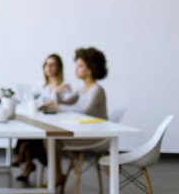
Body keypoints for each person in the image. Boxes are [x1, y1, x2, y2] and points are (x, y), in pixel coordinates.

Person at [42, 47, 109, 188]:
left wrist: (58, 107)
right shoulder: (80, 89)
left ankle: (56, 178)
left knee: (51, 139)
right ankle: (57, 176)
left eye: (80, 66)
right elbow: (63, 103)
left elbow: (84, 110)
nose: (76, 69)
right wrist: (57, 93)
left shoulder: (97, 90)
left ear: (90, 69)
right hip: (84, 131)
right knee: (50, 138)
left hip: (96, 136)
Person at [13, 54, 71, 182]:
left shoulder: (64, 86)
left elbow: (62, 106)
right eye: (46, 64)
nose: (48, 68)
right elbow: (30, 100)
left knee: (33, 137)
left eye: (52, 65)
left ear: (59, 67)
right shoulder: (41, 86)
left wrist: (54, 97)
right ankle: (25, 160)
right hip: (42, 120)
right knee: (28, 131)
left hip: (55, 124)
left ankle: (24, 159)